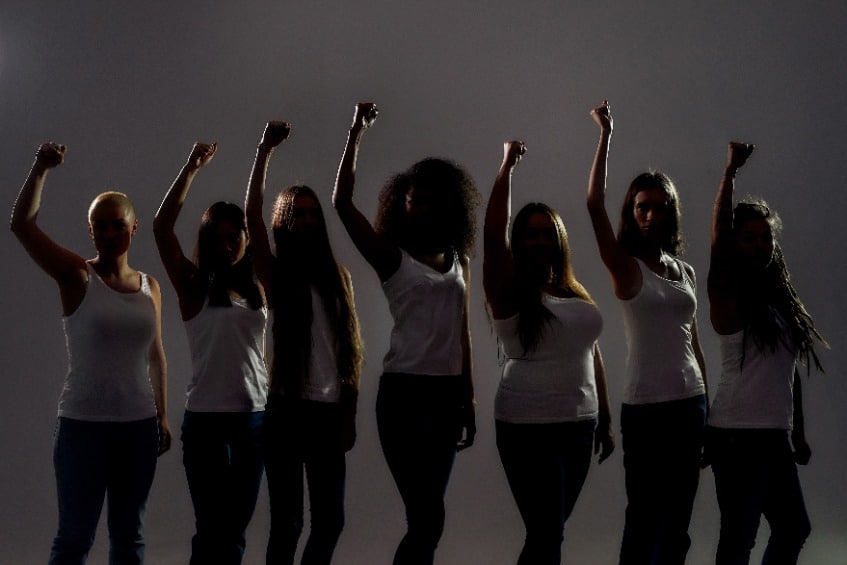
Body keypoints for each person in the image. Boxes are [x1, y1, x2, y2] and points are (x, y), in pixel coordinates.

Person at [10, 142, 171, 565]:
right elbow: (22, 225)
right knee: (74, 538)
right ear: (90, 231)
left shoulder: (150, 287)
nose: (108, 233)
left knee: (129, 538)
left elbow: (156, 355)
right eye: (99, 226)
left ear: (133, 229)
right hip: (83, 426)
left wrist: (163, 414)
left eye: (117, 225)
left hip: (138, 428)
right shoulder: (77, 276)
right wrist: (40, 168)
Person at [332, 102, 478, 565]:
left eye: (430, 202)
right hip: (403, 397)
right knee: (427, 516)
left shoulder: (460, 260)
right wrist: (357, 130)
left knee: (429, 520)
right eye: (413, 201)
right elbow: (341, 203)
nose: (421, 209)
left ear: (446, 206)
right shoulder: (392, 257)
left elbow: (463, 331)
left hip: (447, 396)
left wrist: (468, 398)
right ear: (402, 204)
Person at [587, 101, 708, 565]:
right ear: (632, 211)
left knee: (677, 526)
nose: (650, 215)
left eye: (659, 207)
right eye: (642, 207)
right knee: (643, 519)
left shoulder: (684, 271)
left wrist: (707, 404)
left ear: (671, 212)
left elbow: (691, 340)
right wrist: (606, 134)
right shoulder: (626, 267)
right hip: (646, 409)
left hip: (690, 403)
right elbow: (593, 204)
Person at [484, 140, 615, 564]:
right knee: (547, 535)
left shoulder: (572, 291)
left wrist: (606, 416)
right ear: (519, 243)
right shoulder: (509, 292)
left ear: (559, 240)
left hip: (579, 425)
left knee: (550, 533)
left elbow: (590, 351)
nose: (540, 241)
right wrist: (506, 169)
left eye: (548, 233)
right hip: (528, 426)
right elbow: (491, 236)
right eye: (531, 234)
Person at [245, 120, 364, 565]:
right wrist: (264, 150)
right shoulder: (277, 275)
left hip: (329, 413)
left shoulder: (340, 280)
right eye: (299, 214)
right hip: (287, 411)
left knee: (330, 521)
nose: (308, 221)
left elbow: (350, 352)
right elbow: (252, 214)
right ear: (286, 222)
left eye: (314, 214)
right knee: (288, 523)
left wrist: (348, 413)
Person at [705, 142, 826, 565]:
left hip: (772, 434)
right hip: (738, 434)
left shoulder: (776, 301)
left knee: (794, 527)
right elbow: (718, 239)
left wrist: (797, 430)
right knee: (739, 539)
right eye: (750, 239)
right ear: (738, 244)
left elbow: (786, 369)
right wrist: (730, 173)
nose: (759, 245)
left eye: (765, 239)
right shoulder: (730, 294)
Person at [153, 142, 268, 564]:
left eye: (234, 235)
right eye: (218, 237)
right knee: (211, 530)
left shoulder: (259, 289)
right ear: (208, 239)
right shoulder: (194, 285)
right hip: (206, 424)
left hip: (255, 421)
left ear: (245, 237)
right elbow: (162, 229)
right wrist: (190, 168)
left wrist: (264, 152)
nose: (227, 244)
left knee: (234, 532)